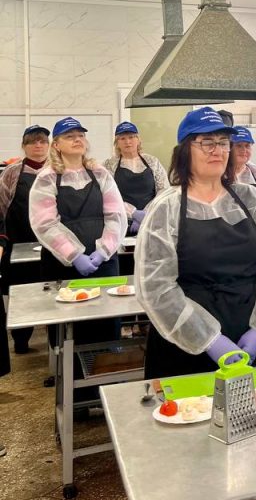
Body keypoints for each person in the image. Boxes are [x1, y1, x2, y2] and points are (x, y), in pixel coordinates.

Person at [134, 106, 256, 500]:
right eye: (206, 142)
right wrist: (209, 339)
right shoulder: (165, 208)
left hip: (243, 344)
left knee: (239, 443)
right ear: (186, 150)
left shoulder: (250, 199)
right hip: (185, 346)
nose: (218, 150)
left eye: (223, 141)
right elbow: (157, 287)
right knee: (193, 452)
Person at [29, 117, 128, 397]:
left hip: (103, 263)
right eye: (69, 136)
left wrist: (104, 250)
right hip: (62, 266)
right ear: (56, 145)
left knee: (105, 326)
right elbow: (45, 223)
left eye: (81, 135)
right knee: (70, 331)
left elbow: (116, 215)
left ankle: (106, 395)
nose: (77, 139)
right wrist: (74, 255)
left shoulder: (100, 173)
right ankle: (75, 398)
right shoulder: (47, 178)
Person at [0, 124, 50, 353]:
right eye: (32, 142)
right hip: (19, 242)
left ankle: (54, 342)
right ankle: (21, 340)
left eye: (42, 141)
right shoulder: (11, 173)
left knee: (51, 292)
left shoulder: (57, 169)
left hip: (51, 244)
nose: (38, 145)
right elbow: (2, 208)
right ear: (24, 146)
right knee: (22, 295)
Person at [104, 121, 169, 234]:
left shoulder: (152, 161)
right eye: (122, 138)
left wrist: (146, 214)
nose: (127, 142)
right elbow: (108, 195)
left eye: (131, 137)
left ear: (138, 140)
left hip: (153, 221)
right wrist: (133, 213)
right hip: (123, 223)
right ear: (117, 143)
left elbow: (164, 190)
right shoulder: (110, 165)